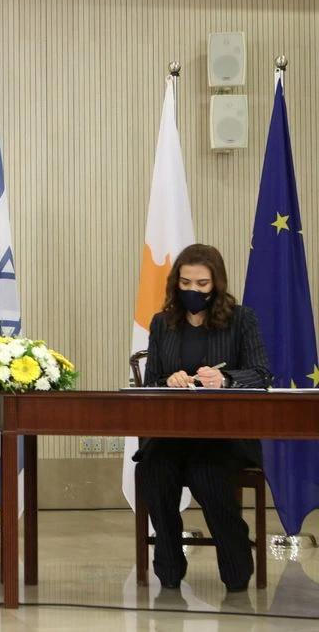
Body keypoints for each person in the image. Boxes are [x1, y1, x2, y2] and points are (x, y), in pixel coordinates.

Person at [134, 243, 272, 592]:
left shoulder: (241, 320)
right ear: (175, 283)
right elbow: (151, 383)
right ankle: (169, 562)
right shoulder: (163, 323)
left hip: (225, 436)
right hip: (173, 434)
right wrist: (169, 380)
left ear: (216, 284)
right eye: (185, 283)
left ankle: (236, 562)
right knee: (154, 470)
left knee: (206, 473)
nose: (192, 291)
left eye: (201, 284)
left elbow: (261, 374)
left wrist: (225, 379)